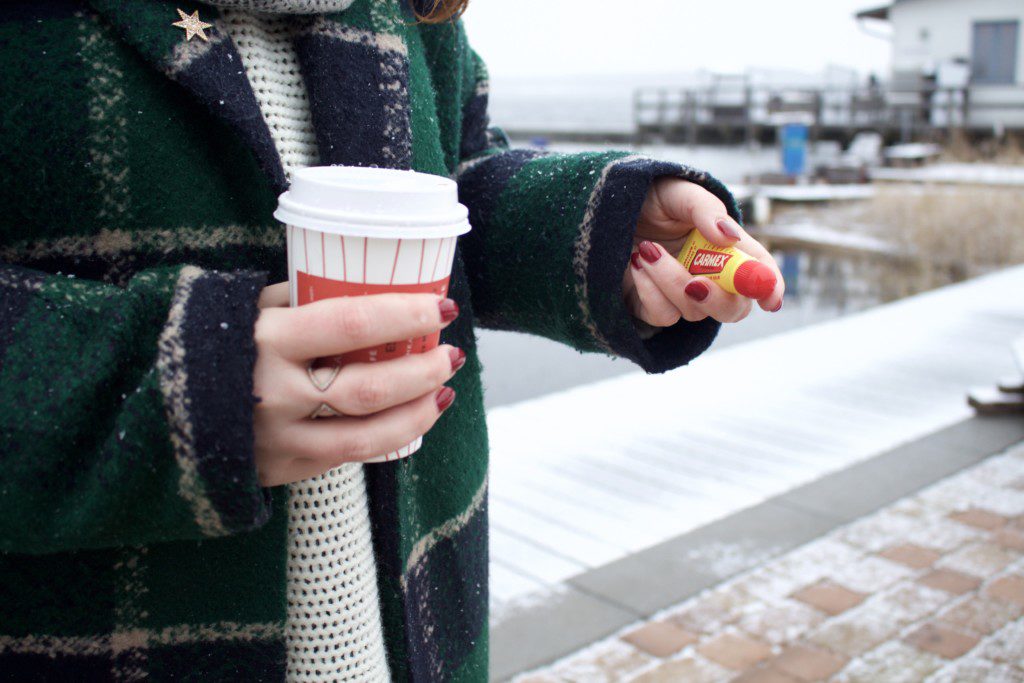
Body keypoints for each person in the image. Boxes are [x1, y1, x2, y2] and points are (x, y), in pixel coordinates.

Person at [0, 0, 784, 680]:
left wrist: (604, 227)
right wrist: (183, 384)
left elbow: (454, 186)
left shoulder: (412, 9)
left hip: (413, 630)